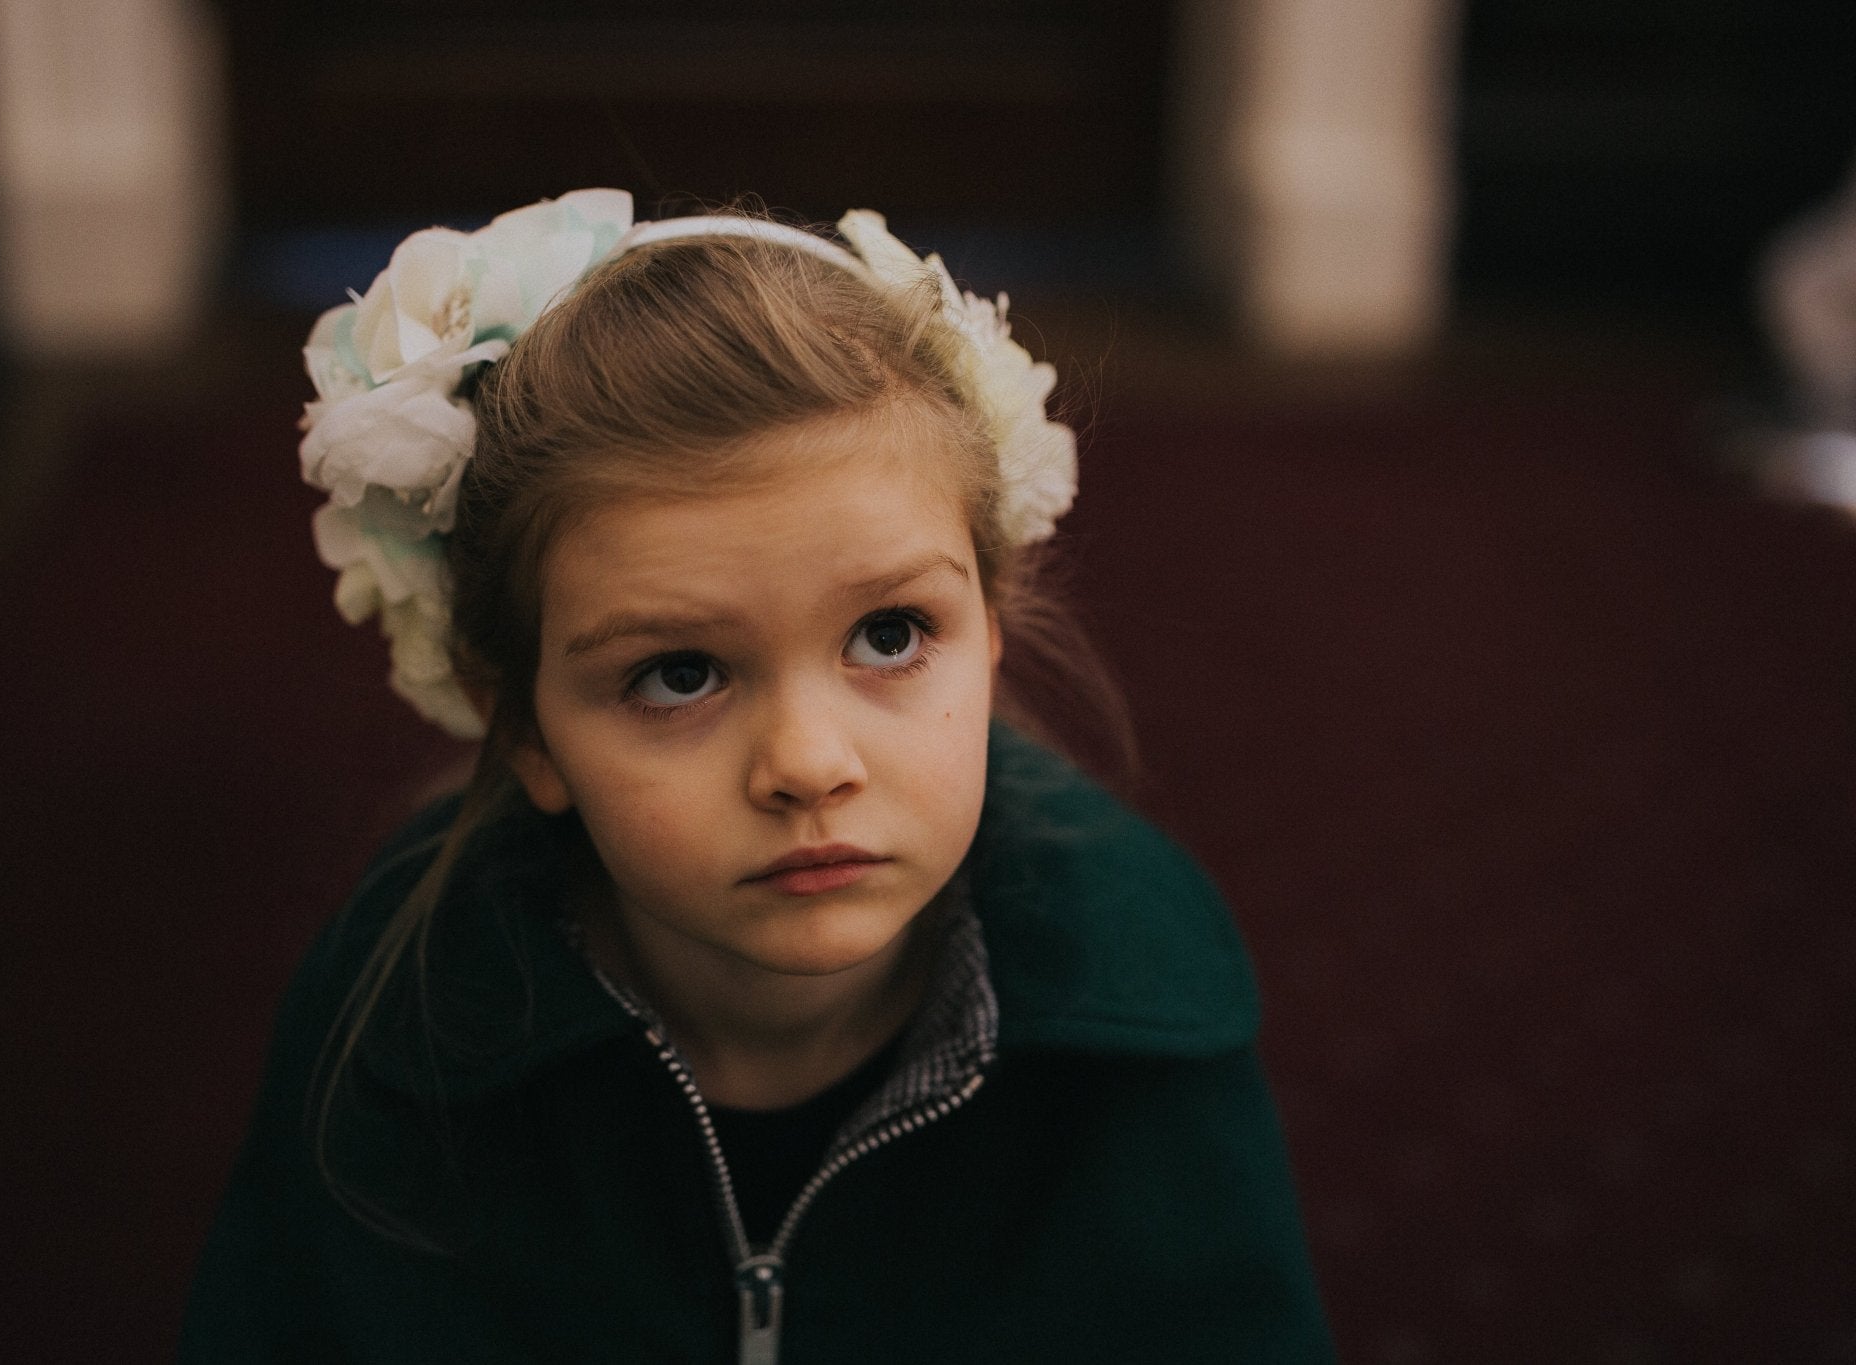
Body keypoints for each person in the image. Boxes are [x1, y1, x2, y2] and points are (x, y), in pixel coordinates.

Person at [181, 189, 1333, 1363]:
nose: (807, 767)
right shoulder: (400, 1024)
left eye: (888, 636)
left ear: (989, 629)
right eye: (679, 675)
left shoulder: (1137, 1011)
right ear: (519, 725)